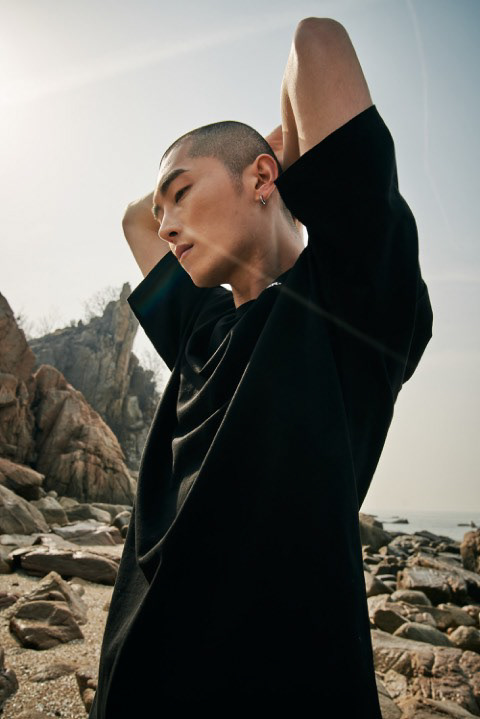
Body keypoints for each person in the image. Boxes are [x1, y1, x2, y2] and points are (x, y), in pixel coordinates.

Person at [89, 17, 433, 718]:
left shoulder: (349, 309)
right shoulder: (200, 331)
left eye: (181, 193)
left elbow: (317, 43)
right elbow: (133, 219)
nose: (165, 224)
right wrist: (233, 176)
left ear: (262, 176)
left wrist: (277, 159)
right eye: (165, 207)